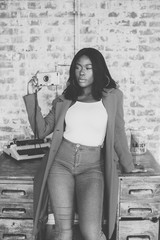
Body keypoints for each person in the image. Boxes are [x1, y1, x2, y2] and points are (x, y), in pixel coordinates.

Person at [23, 48, 135, 240]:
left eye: (88, 67)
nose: (81, 72)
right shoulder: (66, 98)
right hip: (61, 164)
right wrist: (31, 95)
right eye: (78, 67)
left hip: (92, 167)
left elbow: (117, 133)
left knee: (91, 232)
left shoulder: (112, 96)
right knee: (63, 232)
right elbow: (42, 131)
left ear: (98, 70)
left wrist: (129, 167)